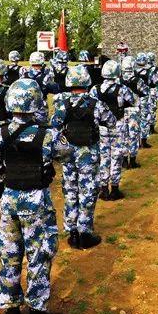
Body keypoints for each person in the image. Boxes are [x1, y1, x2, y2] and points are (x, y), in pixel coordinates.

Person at [0, 79, 66, 314]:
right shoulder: (47, 134)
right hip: (36, 201)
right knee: (38, 255)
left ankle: (12, 313)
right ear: (36, 103)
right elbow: (67, 152)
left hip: (9, 200)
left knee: (9, 253)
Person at [51, 66, 116, 249]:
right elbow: (111, 122)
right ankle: (84, 232)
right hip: (88, 155)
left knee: (70, 192)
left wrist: (61, 149)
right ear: (87, 82)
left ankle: (72, 231)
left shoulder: (62, 104)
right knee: (87, 192)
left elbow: (54, 127)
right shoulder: (96, 104)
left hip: (68, 155)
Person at [91, 60, 135, 201]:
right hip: (118, 126)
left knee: (103, 157)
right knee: (116, 157)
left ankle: (103, 189)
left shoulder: (95, 89)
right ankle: (114, 189)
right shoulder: (122, 89)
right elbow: (134, 101)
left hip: (101, 128)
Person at [120, 56, 147, 168]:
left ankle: (124, 160)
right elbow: (145, 92)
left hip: (121, 110)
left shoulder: (118, 79)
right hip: (133, 110)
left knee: (123, 135)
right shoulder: (137, 80)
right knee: (133, 135)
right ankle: (133, 160)